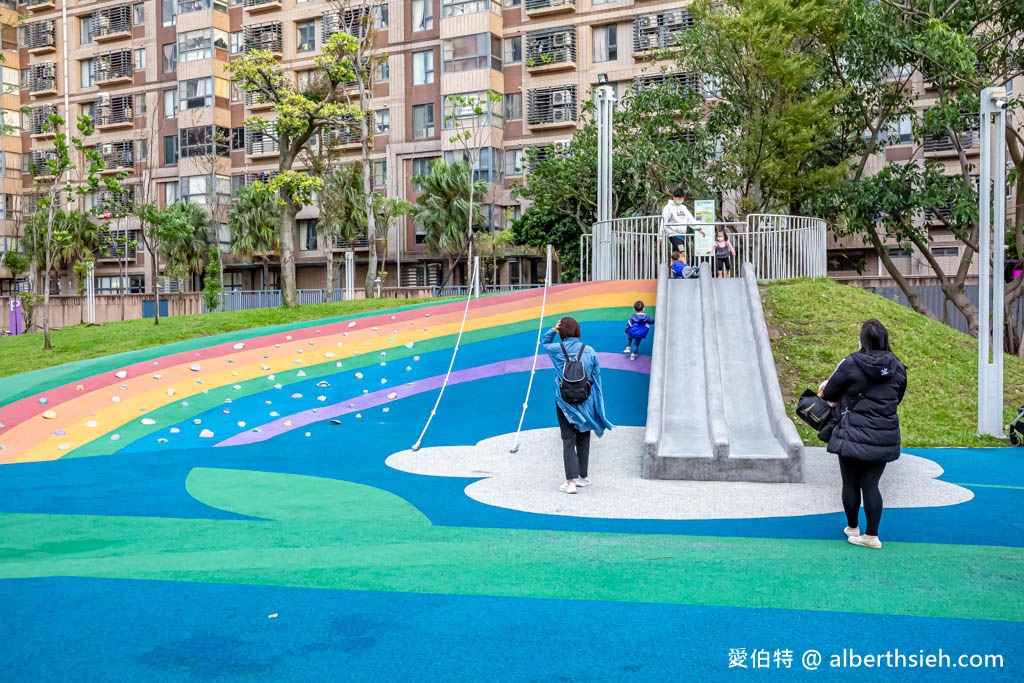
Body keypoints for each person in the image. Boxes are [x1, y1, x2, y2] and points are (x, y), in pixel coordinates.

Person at [819, 319, 907, 550]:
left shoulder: (851, 364)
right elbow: (897, 397)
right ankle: (872, 535)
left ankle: (853, 527)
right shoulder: (897, 366)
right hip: (883, 434)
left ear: (862, 340)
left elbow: (829, 392)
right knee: (871, 484)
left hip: (851, 431)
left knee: (850, 483)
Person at [542, 316, 613, 494]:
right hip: (585, 401)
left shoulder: (557, 350)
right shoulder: (589, 351)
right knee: (583, 437)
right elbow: (596, 376)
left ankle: (570, 482)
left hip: (564, 402)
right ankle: (583, 477)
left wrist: (553, 330)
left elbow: (544, 342)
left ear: (562, 331)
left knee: (568, 440)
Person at [661, 187, 705, 260]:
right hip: (673, 234)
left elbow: (690, 219)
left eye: (681, 198)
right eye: (678, 198)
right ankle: (685, 270)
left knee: (676, 255)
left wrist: (699, 229)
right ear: (674, 197)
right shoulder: (668, 208)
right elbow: (663, 221)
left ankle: (674, 270)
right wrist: (660, 235)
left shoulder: (683, 207)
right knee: (682, 253)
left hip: (682, 234)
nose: (679, 200)